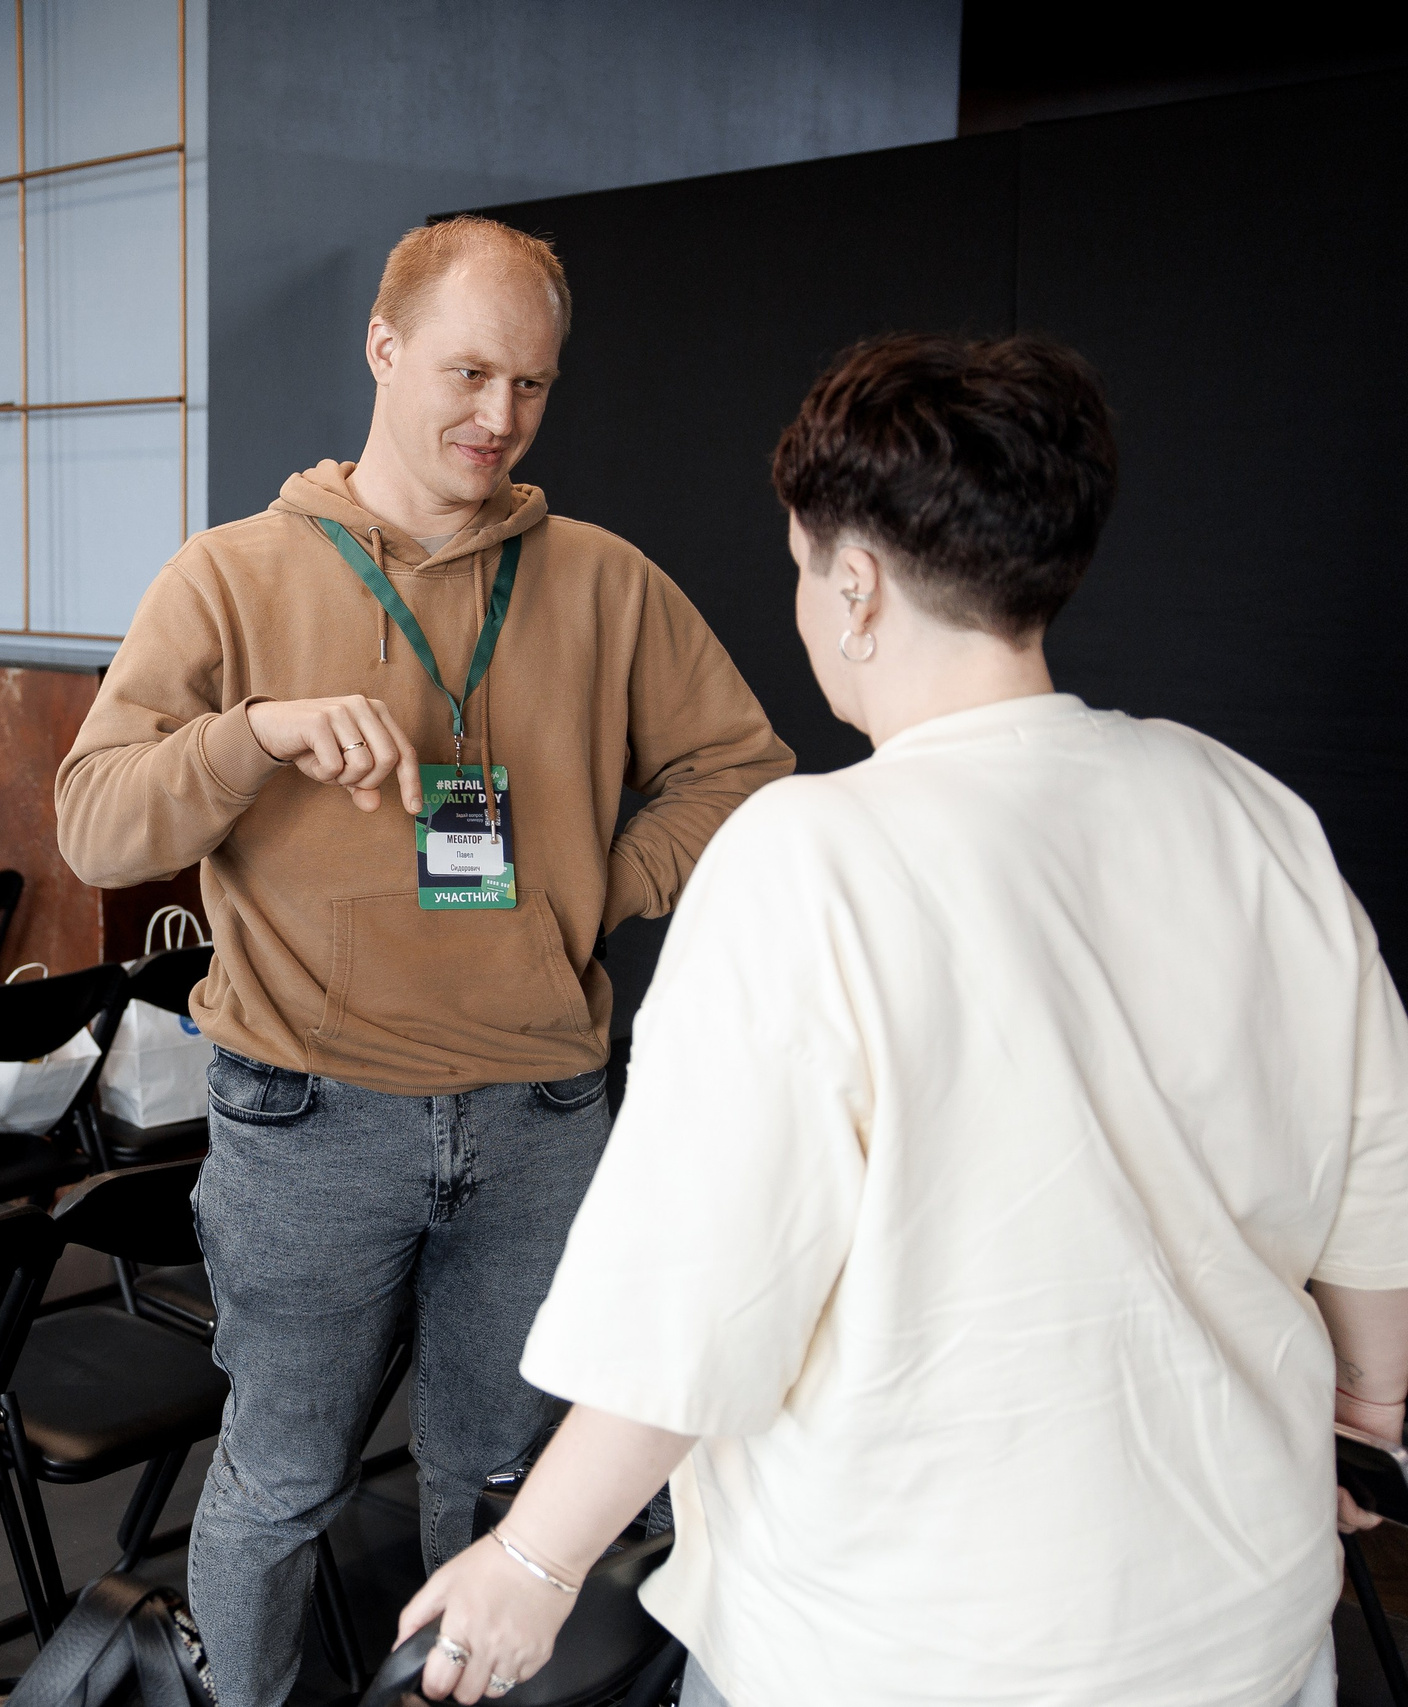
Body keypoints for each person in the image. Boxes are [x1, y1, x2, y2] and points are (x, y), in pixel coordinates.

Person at [401, 333, 1408, 1707]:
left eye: (805, 566)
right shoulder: (1248, 810)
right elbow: (1375, 1176)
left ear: (856, 584)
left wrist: (532, 1555)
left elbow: (699, 1294)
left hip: (905, 1642)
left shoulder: (808, 855)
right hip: (1248, 1614)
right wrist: (1367, 1415)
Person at [54, 216, 793, 1707]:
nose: (499, 416)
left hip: (540, 1113)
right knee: (279, 1482)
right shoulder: (229, 576)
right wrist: (248, 736)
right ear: (381, 349)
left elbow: (745, 770)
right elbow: (93, 821)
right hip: (305, 1118)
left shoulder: (600, 580)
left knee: (514, 1486)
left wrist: (592, 890)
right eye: (468, 370)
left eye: (531, 383)